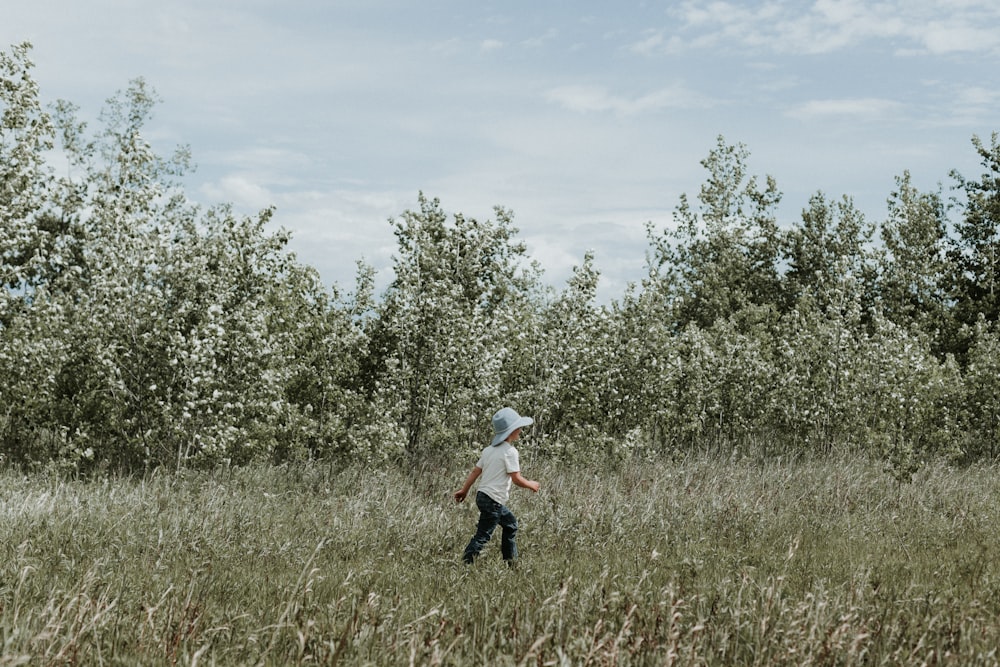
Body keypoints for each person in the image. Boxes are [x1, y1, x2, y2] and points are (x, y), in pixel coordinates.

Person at [454, 407, 541, 565]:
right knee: (483, 535)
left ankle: (511, 563)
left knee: (511, 525)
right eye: (518, 427)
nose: (521, 430)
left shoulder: (488, 450)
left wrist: (464, 490)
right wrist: (531, 485)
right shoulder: (510, 452)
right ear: (511, 431)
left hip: (482, 496)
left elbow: (475, 471)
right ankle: (465, 564)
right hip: (494, 500)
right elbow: (516, 479)